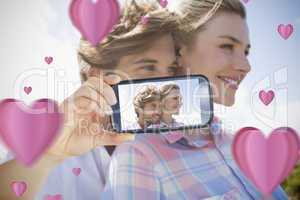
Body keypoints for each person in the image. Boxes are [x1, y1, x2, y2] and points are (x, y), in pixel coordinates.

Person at [101, 0, 288, 199]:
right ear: (179, 51)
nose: (246, 66)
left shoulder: (238, 143)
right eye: (226, 46)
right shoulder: (139, 156)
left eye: (246, 51)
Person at [34, 1, 181, 199]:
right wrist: (50, 154)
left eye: (171, 69)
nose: (165, 82)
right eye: (148, 67)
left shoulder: (179, 150)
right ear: (99, 75)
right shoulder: (50, 149)